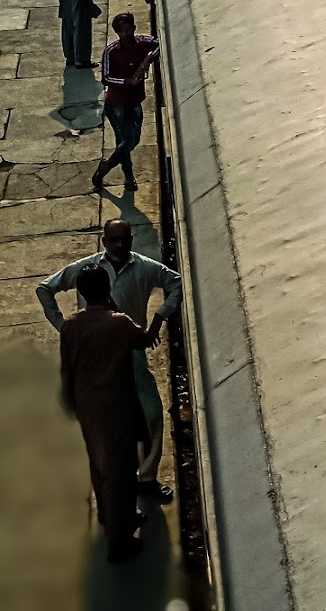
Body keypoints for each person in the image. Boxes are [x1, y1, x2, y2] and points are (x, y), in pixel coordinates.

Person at [39, 219, 181, 506]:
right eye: (113, 240)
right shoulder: (86, 267)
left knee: (151, 413)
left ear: (131, 240)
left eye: (124, 239)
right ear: (104, 242)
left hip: (131, 352)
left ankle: (146, 478)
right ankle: (110, 483)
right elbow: (45, 289)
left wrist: (158, 320)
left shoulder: (143, 267)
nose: (119, 245)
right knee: (105, 422)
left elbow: (176, 282)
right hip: (97, 356)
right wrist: (63, 326)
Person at [57, 264, 153, 562]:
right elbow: (144, 339)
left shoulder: (71, 325)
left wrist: (71, 400)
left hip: (88, 405)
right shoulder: (119, 323)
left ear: (82, 293)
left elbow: (66, 368)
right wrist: (159, 319)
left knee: (99, 462)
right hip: (116, 406)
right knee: (121, 472)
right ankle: (119, 540)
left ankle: (107, 518)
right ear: (108, 288)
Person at [94, 16, 160, 188]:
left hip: (134, 100)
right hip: (116, 104)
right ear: (117, 33)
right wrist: (127, 82)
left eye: (130, 29)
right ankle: (128, 176)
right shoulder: (111, 51)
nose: (128, 33)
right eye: (124, 31)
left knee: (133, 139)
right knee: (123, 140)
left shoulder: (142, 43)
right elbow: (106, 78)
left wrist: (148, 59)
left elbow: (162, 43)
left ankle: (106, 166)